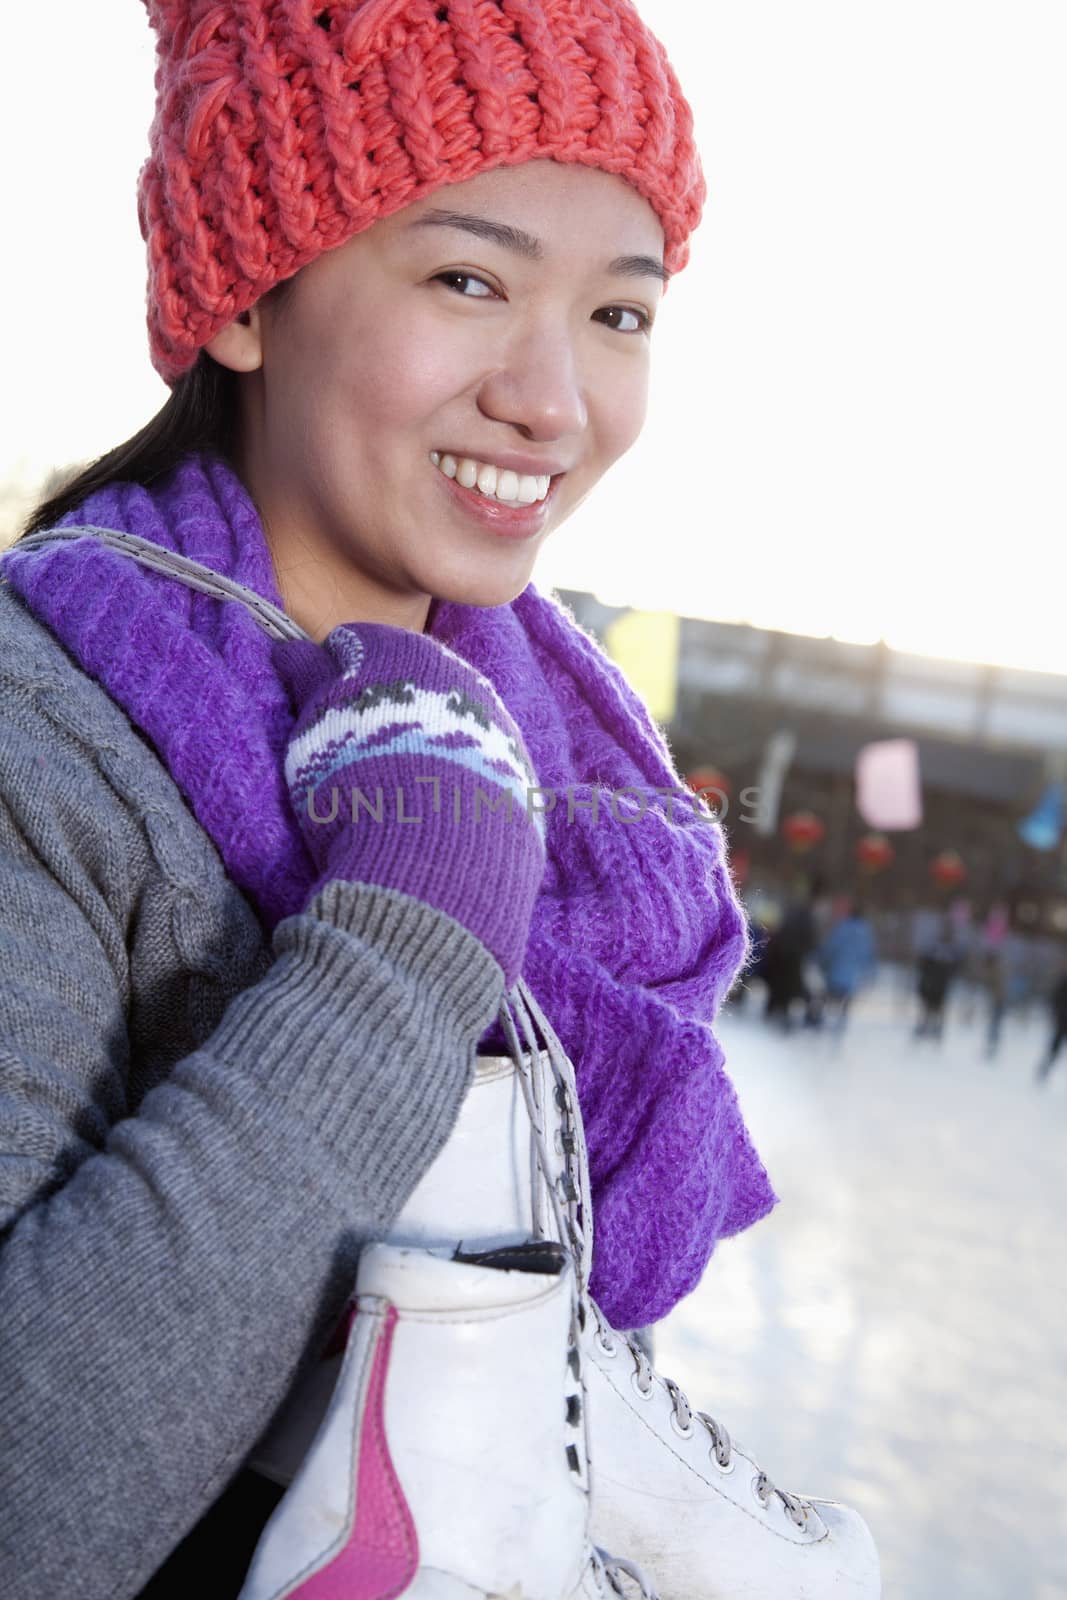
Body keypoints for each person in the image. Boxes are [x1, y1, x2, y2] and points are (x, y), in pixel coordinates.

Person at [0, 3, 781, 1596]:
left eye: (619, 316)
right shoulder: (45, 741)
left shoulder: (576, 779)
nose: (552, 401)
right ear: (244, 300)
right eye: (468, 281)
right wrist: (400, 949)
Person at [814, 898, 878, 1030]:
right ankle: (841, 1021)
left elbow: (831, 946)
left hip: (837, 969)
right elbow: (868, 954)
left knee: (828, 994)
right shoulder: (866, 931)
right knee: (846, 999)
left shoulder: (843, 927)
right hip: (853, 973)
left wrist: (822, 959)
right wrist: (869, 971)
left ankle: (819, 1018)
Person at [913, 915, 961, 1041]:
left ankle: (936, 1029)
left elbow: (956, 966)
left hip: (942, 983)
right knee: (927, 1006)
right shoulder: (933, 945)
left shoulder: (952, 948)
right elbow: (924, 963)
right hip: (931, 982)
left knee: (939, 1007)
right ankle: (924, 1027)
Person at [1035, 965, 1067, 1082]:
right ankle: (1045, 1069)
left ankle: (1045, 1068)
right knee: (1054, 1048)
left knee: (1055, 1048)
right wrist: (1058, 1013)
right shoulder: (1064, 981)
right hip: (1062, 1021)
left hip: (1061, 1020)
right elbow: (1055, 998)